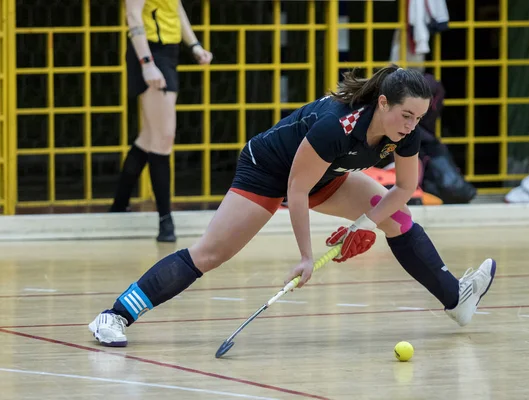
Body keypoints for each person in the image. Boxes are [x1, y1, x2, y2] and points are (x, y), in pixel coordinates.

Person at [89, 66, 496, 347]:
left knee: (397, 218)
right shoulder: (337, 125)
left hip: (328, 175)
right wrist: (305, 257)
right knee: (209, 253)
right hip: (268, 171)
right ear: (384, 103)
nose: (411, 126)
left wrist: (364, 225)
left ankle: (455, 300)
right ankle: (115, 315)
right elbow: (295, 191)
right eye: (406, 114)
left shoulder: (405, 132)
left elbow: (405, 188)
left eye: (419, 118)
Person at [109, 0, 213, 242]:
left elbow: (175, 8)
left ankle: (119, 205)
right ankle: (165, 221)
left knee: (148, 138)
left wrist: (194, 44)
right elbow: (133, 16)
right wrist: (147, 64)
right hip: (149, 52)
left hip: (168, 51)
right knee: (163, 138)